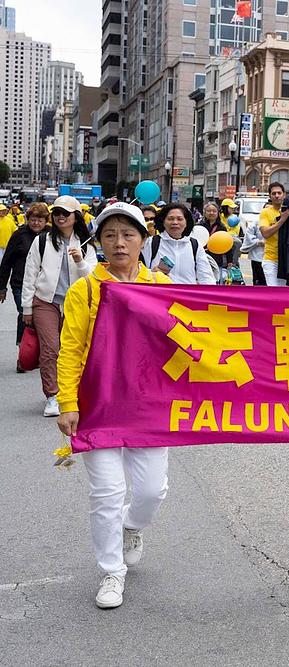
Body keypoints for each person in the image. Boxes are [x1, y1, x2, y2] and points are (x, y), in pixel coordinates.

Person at [56, 201, 172, 609]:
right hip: (98, 405)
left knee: (152, 491)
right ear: (99, 243)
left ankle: (132, 526)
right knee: (107, 492)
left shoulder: (161, 286)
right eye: (109, 235)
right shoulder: (85, 290)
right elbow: (70, 350)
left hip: (148, 404)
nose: (119, 243)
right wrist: (67, 401)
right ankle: (111, 572)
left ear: (143, 239)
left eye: (127, 235)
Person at [20, 196, 97, 417]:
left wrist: (80, 261)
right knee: (50, 349)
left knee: (74, 350)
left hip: (76, 304)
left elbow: (93, 277)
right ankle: (52, 395)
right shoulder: (42, 240)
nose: (60, 217)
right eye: (56, 213)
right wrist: (27, 307)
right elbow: (30, 273)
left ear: (76, 217)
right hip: (45, 302)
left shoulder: (86, 243)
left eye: (65, 213)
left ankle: (73, 393)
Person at [0, 203, 50, 357]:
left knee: (40, 317)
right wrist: (2, 287)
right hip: (20, 283)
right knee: (25, 314)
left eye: (40, 220)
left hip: (44, 285)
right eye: (33, 220)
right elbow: (6, 261)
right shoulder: (19, 235)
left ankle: (39, 350)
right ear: (27, 219)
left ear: (46, 221)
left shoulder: (51, 235)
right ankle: (23, 351)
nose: (36, 223)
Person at [142, 203, 216, 285]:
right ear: (163, 221)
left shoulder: (194, 245)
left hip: (186, 293)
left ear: (186, 222)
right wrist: (151, 273)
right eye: (170, 219)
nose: (175, 222)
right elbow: (138, 271)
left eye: (179, 219)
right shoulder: (151, 243)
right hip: (159, 292)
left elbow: (206, 277)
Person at [203, 202, 238, 272]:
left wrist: (229, 261)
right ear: (205, 212)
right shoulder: (200, 226)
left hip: (217, 259)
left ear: (218, 213)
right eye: (209, 211)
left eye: (214, 211)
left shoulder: (222, 227)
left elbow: (226, 244)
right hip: (202, 258)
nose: (211, 213)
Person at [240, 213, 267, 286]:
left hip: (274, 258)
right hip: (257, 257)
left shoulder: (279, 221)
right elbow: (249, 236)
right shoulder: (256, 222)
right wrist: (258, 242)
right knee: (259, 283)